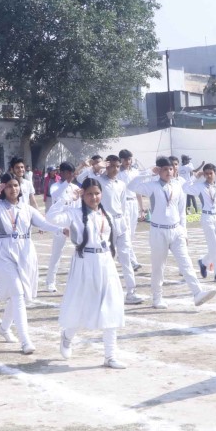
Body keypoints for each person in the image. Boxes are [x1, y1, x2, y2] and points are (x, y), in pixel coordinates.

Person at [0, 173, 69, 354]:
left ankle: (4, 328)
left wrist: (60, 230)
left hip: (25, 252)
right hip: (4, 252)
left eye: (15, 185)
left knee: (21, 295)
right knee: (17, 293)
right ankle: (25, 341)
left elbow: (43, 224)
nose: (13, 189)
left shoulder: (27, 209)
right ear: (3, 188)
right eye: (9, 186)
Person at [48, 178, 126, 368]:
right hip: (84, 262)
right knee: (80, 304)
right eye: (89, 194)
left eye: (97, 193)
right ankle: (67, 336)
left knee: (111, 304)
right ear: (83, 195)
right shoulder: (74, 214)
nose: (94, 197)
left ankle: (110, 355)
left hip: (105, 262)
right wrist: (67, 199)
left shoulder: (105, 214)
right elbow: (51, 217)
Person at [128, 157, 216, 310]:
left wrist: (184, 232)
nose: (169, 172)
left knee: (186, 263)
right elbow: (131, 185)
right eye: (165, 169)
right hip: (158, 231)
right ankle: (157, 298)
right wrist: (148, 172)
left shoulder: (178, 185)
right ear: (159, 171)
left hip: (176, 231)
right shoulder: (152, 186)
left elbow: (182, 211)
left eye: (170, 169)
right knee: (158, 267)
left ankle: (197, 293)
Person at [78, 155, 144, 303]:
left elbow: (123, 206)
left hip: (121, 222)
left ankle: (131, 292)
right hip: (106, 222)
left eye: (117, 166)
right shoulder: (99, 181)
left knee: (126, 258)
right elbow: (81, 178)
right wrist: (96, 166)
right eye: (111, 166)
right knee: (108, 258)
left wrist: (126, 224)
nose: (115, 169)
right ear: (106, 166)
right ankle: (106, 292)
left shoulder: (121, 184)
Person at [184, 163, 216, 283]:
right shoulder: (200, 187)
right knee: (213, 246)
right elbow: (185, 187)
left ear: (215, 173)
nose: (209, 176)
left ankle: (204, 262)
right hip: (206, 217)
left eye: (211, 173)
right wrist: (195, 176)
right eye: (206, 174)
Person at [43, 162, 78, 292]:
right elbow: (57, 195)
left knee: (80, 249)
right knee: (57, 253)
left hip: (73, 220)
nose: (69, 175)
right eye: (67, 173)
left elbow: (78, 204)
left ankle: (78, 279)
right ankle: (50, 282)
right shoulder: (55, 186)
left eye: (71, 173)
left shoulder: (75, 187)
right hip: (60, 221)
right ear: (61, 173)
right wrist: (67, 183)